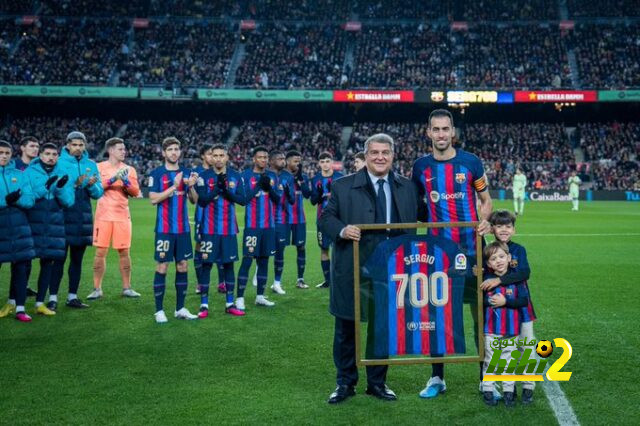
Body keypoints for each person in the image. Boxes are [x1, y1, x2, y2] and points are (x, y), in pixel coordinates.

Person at [319, 133, 419, 404]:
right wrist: (342, 229)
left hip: (390, 269)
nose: (380, 157)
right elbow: (326, 218)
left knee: (382, 328)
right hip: (351, 267)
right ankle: (345, 383)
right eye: (374, 152)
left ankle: (377, 382)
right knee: (346, 328)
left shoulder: (407, 187)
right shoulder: (342, 186)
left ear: (393, 155)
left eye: (385, 152)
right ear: (365, 156)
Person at [412, 109, 492, 398]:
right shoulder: (420, 167)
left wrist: (485, 219)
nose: (441, 134)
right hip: (436, 254)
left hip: (472, 251)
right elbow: (415, 203)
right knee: (438, 316)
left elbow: (485, 199)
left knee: (478, 315)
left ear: (453, 132)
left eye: (446, 129)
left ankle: (486, 378)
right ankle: (437, 377)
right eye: (436, 129)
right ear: (428, 132)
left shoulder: (471, 162)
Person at [483, 210, 536, 404]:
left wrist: (499, 280)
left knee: (526, 347)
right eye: (499, 226)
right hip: (501, 312)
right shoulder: (489, 250)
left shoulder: (518, 250)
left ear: (513, 229)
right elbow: (483, 277)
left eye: (508, 226)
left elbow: (524, 272)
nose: (504, 230)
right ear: (492, 228)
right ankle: (509, 386)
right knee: (506, 351)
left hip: (521, 307)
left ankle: (529, 386)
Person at [148, 137, 199, 323]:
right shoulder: (156, 173)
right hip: (164, 229)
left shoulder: (187, 172)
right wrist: (174, 186)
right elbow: (153, 199)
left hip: (183, 229)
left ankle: (180, 308)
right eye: (170, 149)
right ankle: (159, 310)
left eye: (177, 149)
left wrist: (191, 186)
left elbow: (194, 200)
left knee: (183, 265)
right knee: (162, 266)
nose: (174, 152)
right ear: (163, 153)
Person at [24, 143, 75, 315]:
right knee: (25, 263)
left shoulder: (63, 173)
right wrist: (45, 186)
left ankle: (40, 304)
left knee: (48, 264)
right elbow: (27, 198)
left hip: (54, 224)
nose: (51, 157)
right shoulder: (30, 172)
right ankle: (18, 304)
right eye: (47, 153)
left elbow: (69, 202)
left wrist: (59, 188)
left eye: (54, 154)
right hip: (33, 223)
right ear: (40, 155)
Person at [195, 144, 245, 317]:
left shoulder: (236, 176)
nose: (218, 158)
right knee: (206, 265)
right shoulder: (203, 176)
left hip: (229, 230)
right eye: (214, 155)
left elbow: (242, 200)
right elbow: (202, 201)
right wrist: (217, 188)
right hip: (209, 229)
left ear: (227, 157)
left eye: (221, 155)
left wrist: (226, 191)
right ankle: (204, 305)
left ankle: (230, 304)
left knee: (229, 265)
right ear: (211, 157)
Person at [55, 131, 104, 309]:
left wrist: (91, 186)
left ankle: (72, 297)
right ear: (67, 145)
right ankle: (52, 298)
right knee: (58, 260)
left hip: (82, 218)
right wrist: (75, 185)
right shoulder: (58, 162)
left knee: (77, 260)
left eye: (80, 145)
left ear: (85, 146)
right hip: (62, 216)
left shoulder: (91, 164)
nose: (77, 148)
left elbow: (99, 193)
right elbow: (55, 190)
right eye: (74, 145)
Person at [88, 137, 141, 300]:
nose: (124, 151)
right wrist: (113, 179)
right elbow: (94, 187)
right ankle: (97, 288)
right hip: (103, 216)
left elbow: (136, 192)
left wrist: (125, 181)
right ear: (110, 150)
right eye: (120, 149)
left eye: (124, 149)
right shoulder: (99, 167)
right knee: (100, 252)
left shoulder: (129, 169)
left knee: (124, 252)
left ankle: (127, 287)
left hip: (122, 216)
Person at [480, 242, 529, 407]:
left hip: (511, 330)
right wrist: (489, 300)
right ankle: (488, 391)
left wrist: (505, 301)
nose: (498, 261)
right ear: (489, 264)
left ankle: (509, 394)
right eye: (493, 259)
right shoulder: (487, 280)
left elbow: (523, 301)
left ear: (509, 258)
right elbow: (481, 301)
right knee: (491, 362)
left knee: (509, 363)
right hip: (492, 330)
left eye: (501, 256)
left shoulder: (517, 280)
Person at [236, 146, 280, 310]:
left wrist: (269, 188)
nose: (263, 160)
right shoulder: (245, 176)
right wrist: (257, 187)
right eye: (260, 157)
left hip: (269, 227)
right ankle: (239, 298)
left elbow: (278, 200)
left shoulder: (272, 176)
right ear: (254, 159)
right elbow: (243, 200)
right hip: (252, 227)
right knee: (247, 260)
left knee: (264, 261)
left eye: (265, 157)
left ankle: (260, 296)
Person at [0, 140, 35, 322]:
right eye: (0, 153)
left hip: (20, 226)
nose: (4, 156)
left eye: (6, 153)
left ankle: (20, 308)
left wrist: (17, 201)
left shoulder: (20, 175)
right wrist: (6, 201)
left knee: (21, 267)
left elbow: (29, 200)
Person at [278, 150, 311, 290]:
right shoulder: (280, 176)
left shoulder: (302, 177)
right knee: (280, 248)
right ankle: (277, 281)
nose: (298, 164)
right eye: (295, 161)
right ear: (287, 162)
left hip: (299, 218)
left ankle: (300, 279)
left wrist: (300, 180)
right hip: (284, 218)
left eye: (299, 161)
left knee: (301, 247)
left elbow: (308, 195)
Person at [11, 136, 39, 299]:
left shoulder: (38, 168)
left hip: (34, 215)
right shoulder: (14, 166)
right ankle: (14, 292)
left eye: (37, 146)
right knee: (13, 253)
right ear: (22, 148)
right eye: (31, 146)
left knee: (28, 255)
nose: (35, 149)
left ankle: (24, 285)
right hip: (17, 215)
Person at [310, 152, 343, 289]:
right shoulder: (316, 179)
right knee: (324, 250)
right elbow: (312, 201)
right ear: (319, 164)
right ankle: (328, 280)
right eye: (322, 161)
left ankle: (340, 279)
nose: (325, 164)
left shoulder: (340, 178)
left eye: (327, 161)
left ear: (332, 162)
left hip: (337, 221)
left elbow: (345, 199)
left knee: (339, 250)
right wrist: (319, 194)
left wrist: (332, 194)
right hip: (322, 221)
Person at [268, 151, 291, 294]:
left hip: (281, 220)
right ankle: (259, 274)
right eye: (280, 159)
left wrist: (289, 193)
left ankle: (277, 282)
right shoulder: (265, 175)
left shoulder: (288, 177)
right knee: (260, 252)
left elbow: (293, 200)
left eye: (284, 159)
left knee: (280, 252)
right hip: (264, 220)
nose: (283, 161)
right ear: (271, 161)